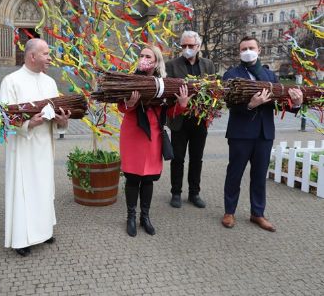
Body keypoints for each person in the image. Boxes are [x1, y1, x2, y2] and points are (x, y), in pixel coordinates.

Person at [222, 36, 303, 232]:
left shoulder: (269, 75)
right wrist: (250, 105)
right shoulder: (231, 74)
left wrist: (297, 103)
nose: (247, 51)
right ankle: (229, 212)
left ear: (259, 50)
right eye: (243, 49)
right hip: (240, 133)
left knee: (259, 176)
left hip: (264, 134)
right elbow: (229, 102)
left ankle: (257, 213)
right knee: (235, 173)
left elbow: (280, 101)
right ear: (239, 52)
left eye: (251, 47)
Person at [0, 38, 70, 256]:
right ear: (32, 56)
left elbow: (57, 115)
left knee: (43, 188)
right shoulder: (10, 81)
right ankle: (22, 238)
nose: (50, 57)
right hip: (23, 147)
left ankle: (44, 231)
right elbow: (5, 119)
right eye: (46, 54)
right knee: (24, 191)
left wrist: (63, 121)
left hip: (44, 146)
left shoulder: (50, 82)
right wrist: (29, 123)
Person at [118, 45, 191, 237]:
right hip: (133, 133)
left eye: (147, 56)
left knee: (148, 177)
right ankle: (131, 217)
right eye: (141, 55)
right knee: (133, 177)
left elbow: (170, 113)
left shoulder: (165, 84)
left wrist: (182, 105)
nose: (143, 58)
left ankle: (145, 217)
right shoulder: (130, 80)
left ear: (156, 61)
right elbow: (121, 107)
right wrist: (130, 104)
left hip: (154, 134)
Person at [165, 31, 215, 209]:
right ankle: (176, 192)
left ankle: (194, 193)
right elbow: (168, 92)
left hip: (199, 120)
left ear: (198, 47)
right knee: (178, 158)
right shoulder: (171, 65)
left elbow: (212, 90)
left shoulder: (208, 65)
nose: (187, 49)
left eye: (190, 46)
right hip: (179, 119)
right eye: (184, 46)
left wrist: (209, 113)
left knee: (197, 158)